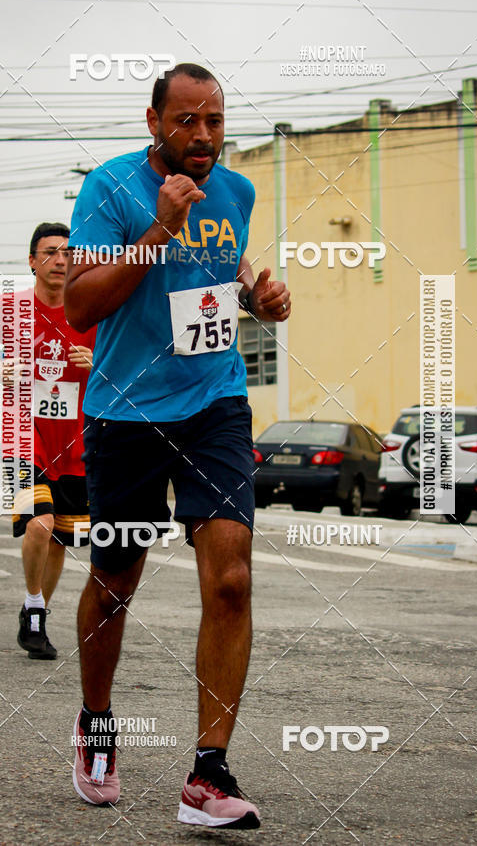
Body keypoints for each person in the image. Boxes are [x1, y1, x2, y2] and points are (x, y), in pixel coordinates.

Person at [65, 63, 290, 828]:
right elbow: (80, 304)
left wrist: (257, 291)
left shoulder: (238, 191)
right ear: (153, 120)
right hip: (126, 412)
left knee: (230, 575)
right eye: (187, 120)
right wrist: (158, 227)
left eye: (215, 120)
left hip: (215, 402)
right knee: (116, 581)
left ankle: (210, 775)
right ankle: (97, 724)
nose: (203, 136)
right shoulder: (110, 188)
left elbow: (224, 263)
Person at [0, 222, 95, 660]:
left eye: (67, 252)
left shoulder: (88, 312)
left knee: (60, 537)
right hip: (23, 439)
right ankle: (36, 609)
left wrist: (95, 363)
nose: (60, 260)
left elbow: (119, 369)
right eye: (50, 252)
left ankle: (33, 608)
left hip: (76, 447)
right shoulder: (10, 307)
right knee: (38, 524)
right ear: (32, 261)